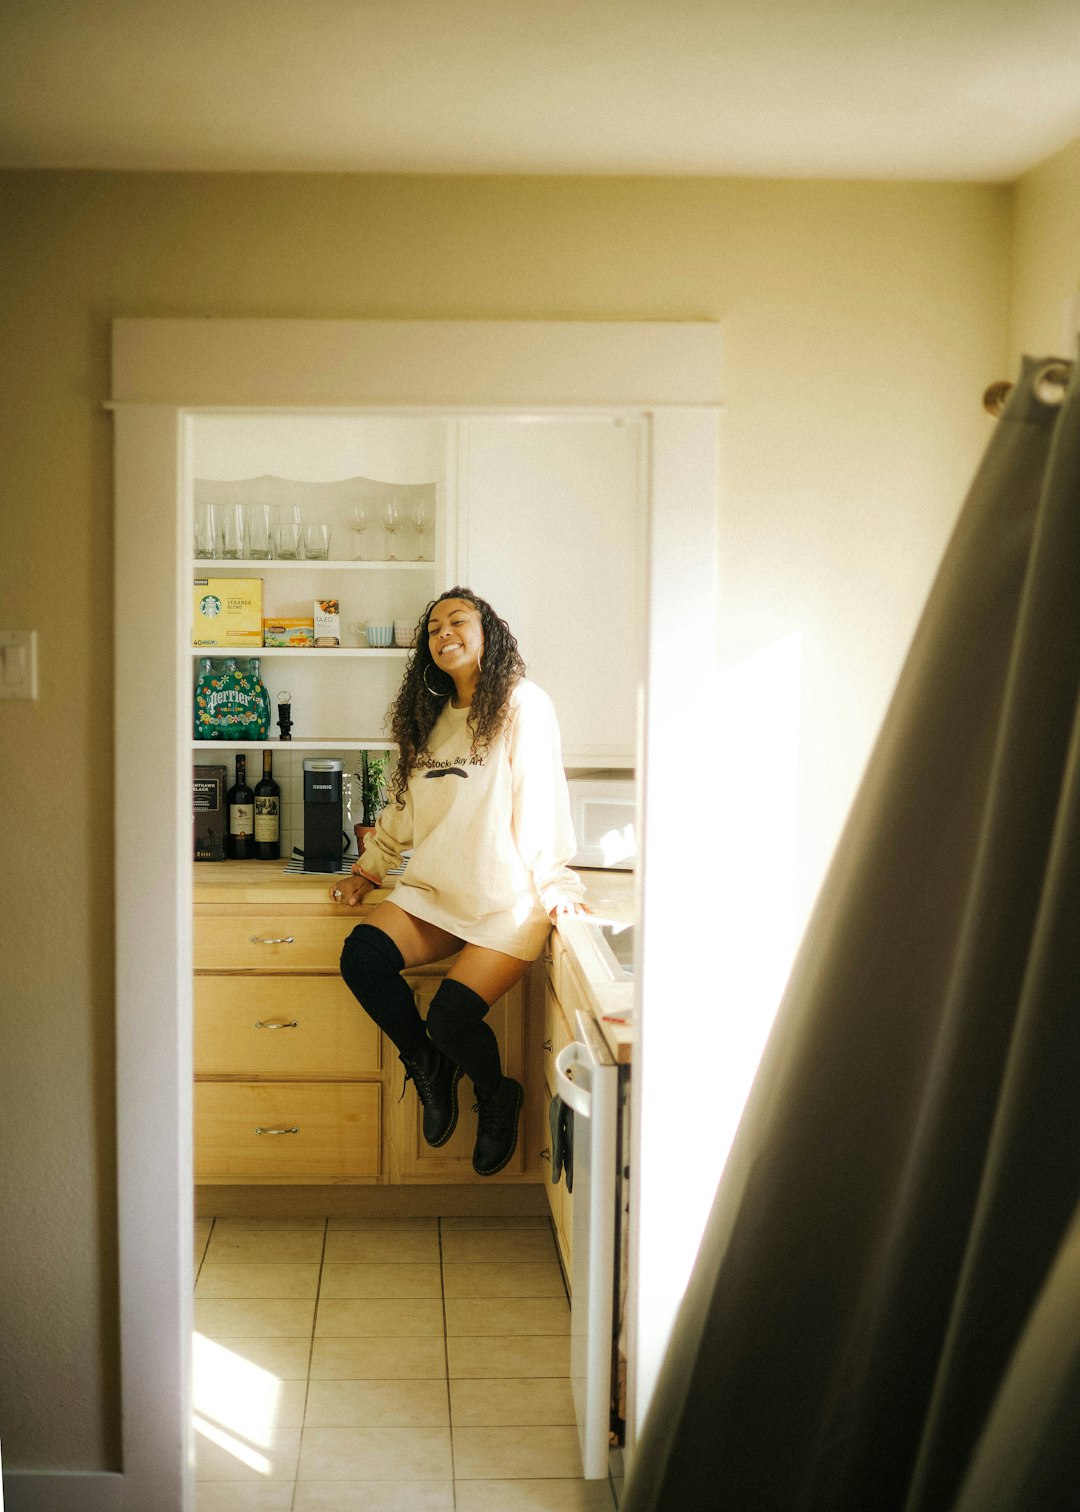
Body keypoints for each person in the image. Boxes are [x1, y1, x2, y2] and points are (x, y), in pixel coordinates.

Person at [331, 587, 588, 1175]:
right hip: (435, 894)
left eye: (458, 620)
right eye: (433, 628)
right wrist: (370, 870)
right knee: (362, 960)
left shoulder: (523, 705)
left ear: (487, 632)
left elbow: (541, 799)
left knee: (451, 1017)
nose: (443, 632)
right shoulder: (428, 715)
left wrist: (557, 886)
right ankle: (427, 1062)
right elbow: (403, 805)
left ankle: (496, 1093)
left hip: (506, 904)